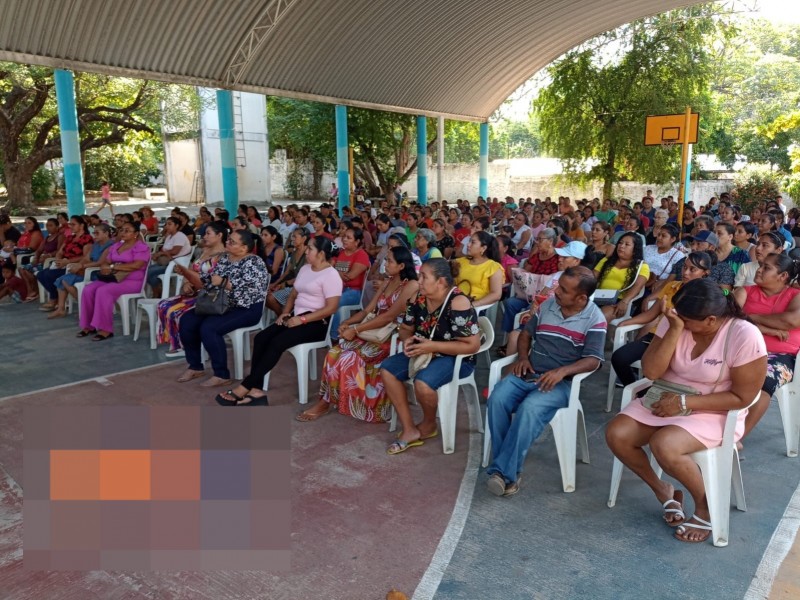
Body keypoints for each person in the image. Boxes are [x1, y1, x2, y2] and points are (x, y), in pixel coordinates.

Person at [605, 279, 767, 543]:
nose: (681, 323)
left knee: (665, 443)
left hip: (716, 408)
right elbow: (652, 372)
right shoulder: (677, 320)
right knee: (617, 434)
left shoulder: (744, 335)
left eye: (688, 322)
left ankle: (705, 506)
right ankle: (664, 491)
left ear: (711, 320)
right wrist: (674, 328)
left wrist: (683, 403)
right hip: (666, 396)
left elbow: (743, 396)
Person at [485, 266, 606, 496]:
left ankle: (504, 473)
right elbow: (526, 334)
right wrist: (522, 357)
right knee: (498, 398)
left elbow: (594, 360)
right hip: (529, 373)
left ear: (581, 297)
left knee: (529, 408)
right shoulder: (549, 305)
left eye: (563, 289)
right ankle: (505, 471)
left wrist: (562, 372)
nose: (556, 292)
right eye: (559, 286)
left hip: (560, 384)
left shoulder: (594, 318)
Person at [297, 245, 420, 423]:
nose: (385, 264)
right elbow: (367, 310)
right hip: (373, 332)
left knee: (349, 358)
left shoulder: (411, 285)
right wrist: (347, 323)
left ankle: (358, 405)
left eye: (390, 261)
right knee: (333, 354)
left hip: (393, 337)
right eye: (386, 259)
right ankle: (325, 402)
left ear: (402, 266)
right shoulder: (386, 282)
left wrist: (355, 330)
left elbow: (389, 316)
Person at [215, 237, 342, 405]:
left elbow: (331, 308)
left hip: (316, 323)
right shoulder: (305, 269)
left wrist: (303, 319)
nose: (306, 251)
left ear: (321, 253)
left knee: (276, 343)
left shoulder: (331, 275)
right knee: (261, 338)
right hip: (295, 317)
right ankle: (256, 391)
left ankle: (245, 386)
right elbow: (294, 294)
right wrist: (285, 312)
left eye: (310, 249)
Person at [380, 258, 480, 454]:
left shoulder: (458, 302)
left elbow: (472, 345)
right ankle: (409, 429)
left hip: (456, 357)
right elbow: (406, 329)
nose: (419, 281)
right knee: (387, 369)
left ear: (441, 281)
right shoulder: (419, 297)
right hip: (424, 350)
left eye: (424, 277)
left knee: (423, 383)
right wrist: (408, 339)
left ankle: (428, 424)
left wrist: (432, 346)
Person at [177, 230, 270, 387]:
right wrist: (188, 276)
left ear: (244, 248)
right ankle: (195, 366)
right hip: (220, 304)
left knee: (209, 328)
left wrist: (224, 283)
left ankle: (221, 374)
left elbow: (251, 291)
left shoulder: (254, 262)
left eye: (232, 242)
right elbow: (208, 280)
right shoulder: (225, 258)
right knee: (187, 320)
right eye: (228, 240)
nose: (227, 243)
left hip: (246, 308)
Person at [611, 252, 713, 387]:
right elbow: (651, 314)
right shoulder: (671, 286)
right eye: (684, 267)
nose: (686, 272)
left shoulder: (707, 294)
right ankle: (638, 392)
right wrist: (626, 322)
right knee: (619, 358)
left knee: (666, 372)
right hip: (655, 337)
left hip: (682, 343)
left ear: (705, 273)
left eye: (692, 269)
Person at [734, 253, 800, 438]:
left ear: (783, 276)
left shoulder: (796, 295)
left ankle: (735, 440)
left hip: (781, 356)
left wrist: (751, 318)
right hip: (743, 350)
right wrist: (767, 329)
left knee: (762, 384)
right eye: (760, 265)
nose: (759, 270)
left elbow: (791, 321)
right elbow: (730, 319)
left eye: (767, 268)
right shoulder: (744, 291)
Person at [156, 222, 227, 356]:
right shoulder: (204, 252)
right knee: (163, 304)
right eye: (204, 234)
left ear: (219, 235)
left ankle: (185, 345)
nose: (204, 237)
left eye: (208, 234)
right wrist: (186, 283)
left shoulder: (223, 256)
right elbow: (191, 270)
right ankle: (177, 342)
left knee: (176, 310)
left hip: (209, 296)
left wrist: (189, 277)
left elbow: (210, 280)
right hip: (194, 292)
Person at [76, 223, 149, 340]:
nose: (123, 233)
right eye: (122, 230)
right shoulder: (116, 246)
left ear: (135, 234)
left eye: (127, 230)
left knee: (103, 291)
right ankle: (89, 326)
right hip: (113, 278)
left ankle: (105, 329)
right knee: (88, 289)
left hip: (132, 281)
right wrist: (106, 267)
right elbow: (106, 261)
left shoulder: (140, 247)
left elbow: (137, 265)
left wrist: (113, 267)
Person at [46, 223, 114, 319]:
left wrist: (82, 266)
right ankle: (61, 308)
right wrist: (78, 265)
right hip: (87, 268)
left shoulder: (110, 246)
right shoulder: (96, 244)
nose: (95, 235)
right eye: (94, 233)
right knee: (61, 280)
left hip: (97, 272)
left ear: (106, 233)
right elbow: (86, 258)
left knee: (65, 281)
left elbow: (100, 263)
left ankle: (87, 306)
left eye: (97, 233)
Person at [37, 216, 93, 311]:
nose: (70, 226)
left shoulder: (87, 238)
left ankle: (54, 299)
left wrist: (68, 262)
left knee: (49, 275)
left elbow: (85, 256)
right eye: (70, 224)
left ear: (81, 225)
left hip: (74, 265)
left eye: (73, 224)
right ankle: (56, 297)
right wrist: (59, 260)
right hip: (63, 263)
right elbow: (60, 251)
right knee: (41, 274)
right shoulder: (70, 238)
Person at [594, 232, 650, 322]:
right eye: (620, 243)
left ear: (635, 249)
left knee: (600, 317)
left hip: (618, 301)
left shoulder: (642, 266)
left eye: (627, 244)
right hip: (598, 296)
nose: (621, 246)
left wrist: (625, 301)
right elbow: (592, 278)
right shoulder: (606, 260)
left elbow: (638, 286)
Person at [330, 226, 371, 334]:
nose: (344, 239)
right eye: (344, 236)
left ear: (357, 242)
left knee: (335, 303)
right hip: (338, 288)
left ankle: (334, 335)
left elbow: (350, 276)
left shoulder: (361, 255)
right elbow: (329, 267)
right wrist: (337, 272)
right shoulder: (341, 253)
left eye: (348, 238)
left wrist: (334, 271)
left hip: (354, 291)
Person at [454, 231, 504, 309]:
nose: (468, 244)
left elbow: (496, 294)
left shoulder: (493, 267)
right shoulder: (461, 261)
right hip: (456, 301)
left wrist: (472, 305)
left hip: (475, 305)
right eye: (469, 241)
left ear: (483, 248)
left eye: (473, 242)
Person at [266, 228, 309, 316]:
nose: (292, 239)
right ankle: (284, 317)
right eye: (292, 236)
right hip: (291, 284)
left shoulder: (308, 253)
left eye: (294, 237)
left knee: (270, 298)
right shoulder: (294, 252)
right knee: (265, 296)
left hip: (300, 286)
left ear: (304, 238)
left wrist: (284, 284)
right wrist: (274, 284)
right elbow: (286, 272)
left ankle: (283, 318)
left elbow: (303, 277)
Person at [146, 216, 192, 296]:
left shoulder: (180, 236)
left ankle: (157, 293)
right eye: (166, 224)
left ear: (176, 226)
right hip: (168, 262)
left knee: (150, 272)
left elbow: (175, 251)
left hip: (176, 265)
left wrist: (161, 254)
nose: (166, 226)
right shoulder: (169, 236)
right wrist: (157, 254)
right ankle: (158, 293)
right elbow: (164, 250)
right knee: (148, 270)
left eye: (169, 224)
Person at [643, 223, 682, 289]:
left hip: (660, 288)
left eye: (663, 236)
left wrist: (663, 282)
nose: (659, 238)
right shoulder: (647, 248)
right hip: (641, 282)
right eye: (658, 235)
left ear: (673, 239)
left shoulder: (678, 256)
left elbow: (679, 278)